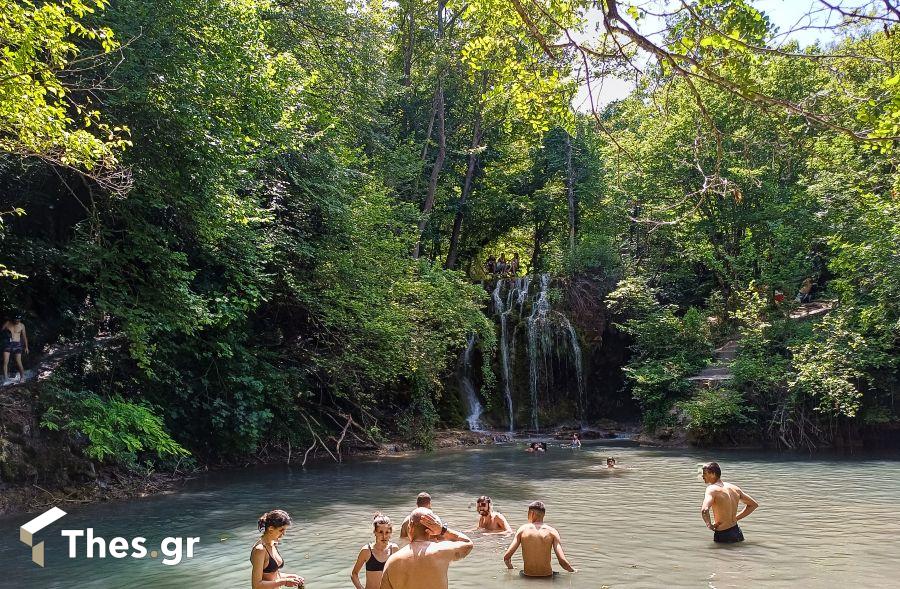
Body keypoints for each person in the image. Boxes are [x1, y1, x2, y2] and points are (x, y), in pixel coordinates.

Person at [381, 507, 473, 589]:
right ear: (432, 530)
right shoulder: (442, 551)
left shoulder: (392, 561)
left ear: (410, 527)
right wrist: (442, 530)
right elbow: (468, 543)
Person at [504, 501, 575, 577]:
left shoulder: (522, 530)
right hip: (547, 576)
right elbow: (562, 561)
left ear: (531, 513)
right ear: (543, 514)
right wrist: (573, 571)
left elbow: (506, 557)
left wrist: (510, 568)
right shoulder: (552, 532)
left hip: (528, 576)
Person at [700, 462, 759, 543]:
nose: (702, 476)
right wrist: (735, 518)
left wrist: (709, 525)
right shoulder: (734, 488)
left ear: (713, 474)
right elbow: (753, 505)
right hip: (736, 531)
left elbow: (704, 510)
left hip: (723, 534)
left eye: (704, 473)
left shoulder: (712, 489)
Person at [250, 509, 304, 588]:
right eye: (281, 530)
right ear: (271, 529)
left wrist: (291, 577)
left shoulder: (273, 544)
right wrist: (284, 582)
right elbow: (256, 585)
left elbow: (272, 575)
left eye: (285, 530)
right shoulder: (260, 550)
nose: (283, 534)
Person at [351, 513, 399, 589]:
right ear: (375, 532)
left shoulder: (394, 549)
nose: (384, 536)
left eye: (387, 532)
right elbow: (354, 574)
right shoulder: (366, 551)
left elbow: (399, 574)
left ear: (391, 533)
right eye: (380, 532)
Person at [2, 313, 29, 383]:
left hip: (17, 345)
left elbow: (24, 336)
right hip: (8, 344)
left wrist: (26, 347)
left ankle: (22, 377)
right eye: (16, 320)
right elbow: (1, 331)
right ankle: (5, 378)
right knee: (5, 362)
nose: (17, 321)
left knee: (18, 362)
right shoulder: (8, 323)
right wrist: (7, 333)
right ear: (13, 319)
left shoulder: (22, 325)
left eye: (19, 320)